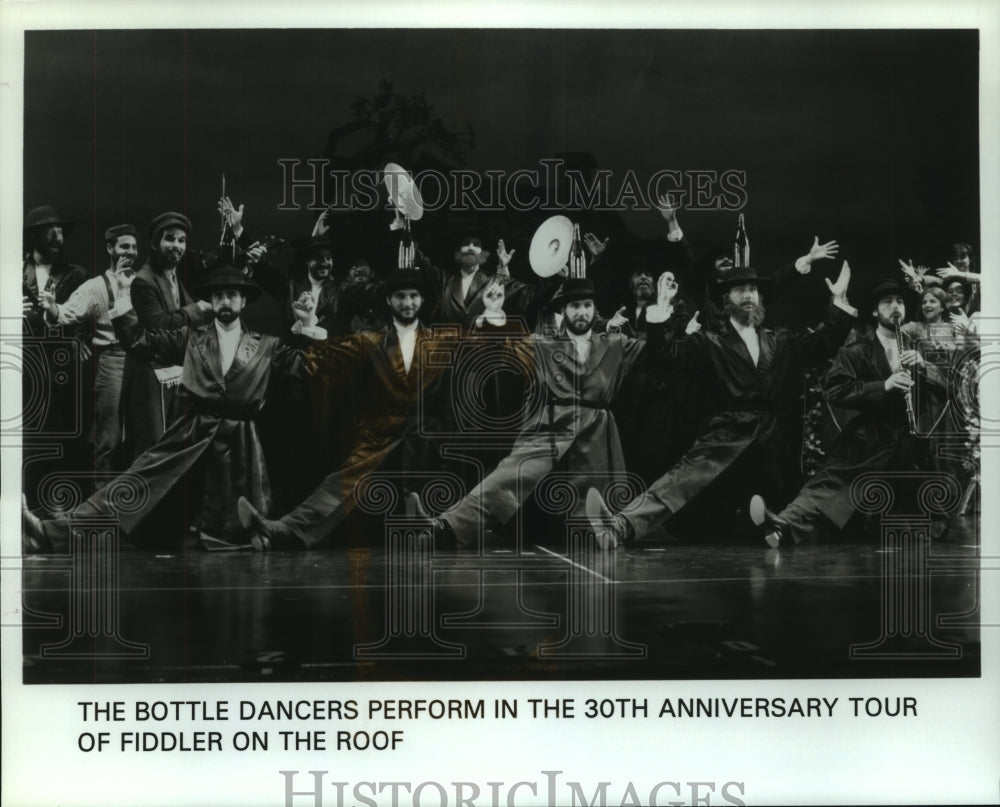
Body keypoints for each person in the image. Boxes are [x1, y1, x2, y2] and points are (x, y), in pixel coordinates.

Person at [21, 265, 316, 553]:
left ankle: (250, 536)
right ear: (211, 302)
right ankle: (48, 534)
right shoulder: (191, 337)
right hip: (190, 436)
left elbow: (305, 368)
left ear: (243, 300)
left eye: (231, 294)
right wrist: (124, 303)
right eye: (218, 296)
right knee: (133, 490)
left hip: (240, 448)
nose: (225, 301)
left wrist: (306, 325)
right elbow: (139, 342)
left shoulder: (267, 345)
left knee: (238, 530)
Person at [586, 260, 856, 548]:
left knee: (786, 502)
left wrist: (838, 303)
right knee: (682, 479)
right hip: (728, 432)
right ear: (727, 300)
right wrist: (662, 308)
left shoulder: (780, 339)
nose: (749, 295)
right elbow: (664, 356)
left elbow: (823, 344)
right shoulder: (710, 341)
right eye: (741, 290)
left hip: (772, 441)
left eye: (753, 289)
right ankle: (617, 528)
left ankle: (780, 530)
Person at [407, 277, 644, 550]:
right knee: (507, 477)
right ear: (564, 311)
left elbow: (655, 351)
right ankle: (444, 529)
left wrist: (662, 315)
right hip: (552, 427)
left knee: (591, 516)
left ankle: (604, 533)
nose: (582, 311)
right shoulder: (543, 344)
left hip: (597, 433)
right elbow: (502, 348)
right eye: (575, 305)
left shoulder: (616, 343)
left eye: (587, 305)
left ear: (595, 309)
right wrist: (494, 315)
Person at [235, 267, 456, 550]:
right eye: (400, 296)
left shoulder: (442, 342)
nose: (408, 302)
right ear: (389, 301)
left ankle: (435, 531)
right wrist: (305, 324)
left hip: (427, 439)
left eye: (414, 296)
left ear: (422, 301)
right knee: (339, 485)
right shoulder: (369, 341)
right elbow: (319, 359)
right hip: (380, 436)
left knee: (431, 499)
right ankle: (281, 531)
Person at [748, 278, 951, 546]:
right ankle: (781, 525)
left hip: (908, 447)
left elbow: (948, 389)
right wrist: (884, 385)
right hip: (867, 441)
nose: (895, 307)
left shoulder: (920, 348)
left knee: (895, 524)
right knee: (829, 485)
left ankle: (788, 530)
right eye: (887, 302)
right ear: (875, 312)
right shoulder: (855, 351)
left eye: (900, 301)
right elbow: (836, 391)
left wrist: (924, 367)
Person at [39, 224, 139, 477]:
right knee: (109, 436)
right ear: (110, 249)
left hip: (142, 361)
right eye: (124, 246)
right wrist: (52, 308)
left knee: (142, 433)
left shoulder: (142, 282)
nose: (130, 252)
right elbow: (64, 314)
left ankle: (136, 507)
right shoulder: (95, 286)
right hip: (112, 360)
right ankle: (101, 504)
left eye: (134, 247)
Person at [121, 212, 214, 461]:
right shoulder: (143, 281)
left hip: (169, 371)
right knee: (152, 445)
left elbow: (180, 312)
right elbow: (159, 326)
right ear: (155, 243)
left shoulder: (172, 276)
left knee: (171, 441)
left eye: (182, 240)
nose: (177, 246)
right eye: (170, 239)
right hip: (149, 374)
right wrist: (196, 311)